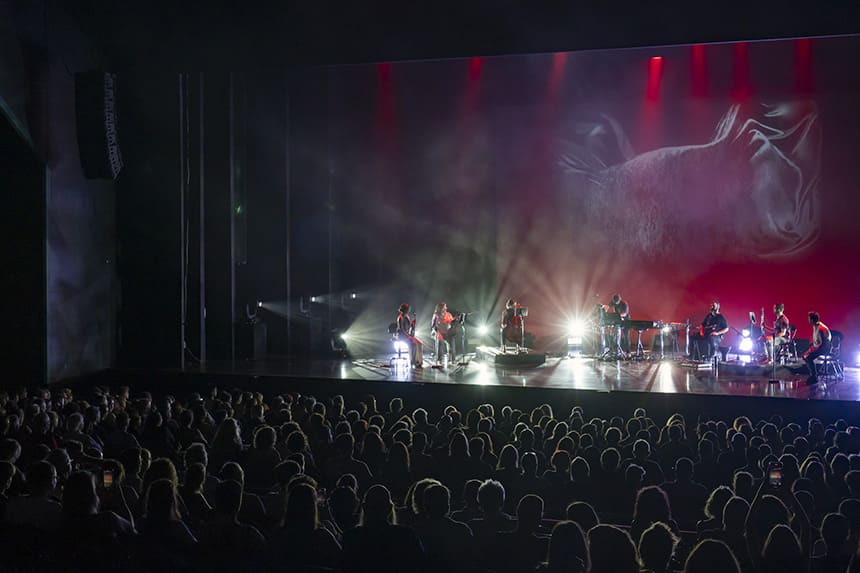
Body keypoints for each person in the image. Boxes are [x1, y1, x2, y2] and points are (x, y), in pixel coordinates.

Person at [801, 311, 831, 385]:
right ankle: (814, 375)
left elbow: (820, 343)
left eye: (809, 319)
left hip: (824, 349)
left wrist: (810, 351)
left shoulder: (819, 328)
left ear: (811, 320)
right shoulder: (816, 325)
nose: (808, 320)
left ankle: (814, 376)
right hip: (821, 347)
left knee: (808, 357)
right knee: (806, 356)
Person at [396, 303, 424, 369]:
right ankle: (413, 362)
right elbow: (402, 329)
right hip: (402, 336)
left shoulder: (407, 316)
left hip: (407, 335)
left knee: (420, 343)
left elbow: (408, 327)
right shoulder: (401, 318)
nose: (409, 310)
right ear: (405, 310)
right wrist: (409, 337)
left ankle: (419, 361)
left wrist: (412, 323)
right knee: (414, 344)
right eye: (408, 309)